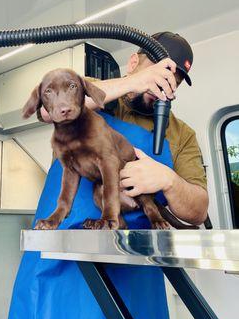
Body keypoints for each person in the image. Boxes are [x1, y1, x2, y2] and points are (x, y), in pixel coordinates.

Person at [40, 32, 209, 225]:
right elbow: (46, 112)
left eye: (172, 83)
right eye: (159, 74)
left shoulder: (182, 135)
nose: (163, 86)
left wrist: (169, 181)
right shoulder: (89, 88)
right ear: (133, 63)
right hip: (60, 239)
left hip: (133, 246)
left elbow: (199, 212)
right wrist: (133, 83)